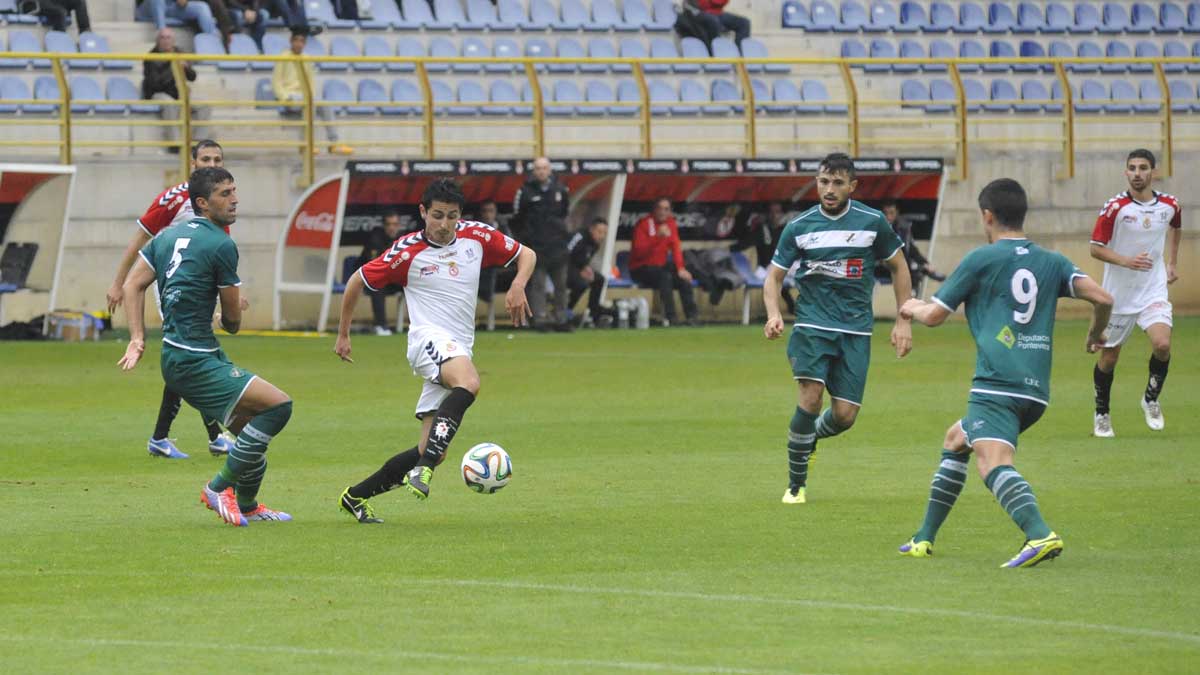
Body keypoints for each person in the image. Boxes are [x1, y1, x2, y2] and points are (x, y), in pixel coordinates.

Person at [896, 178, 1113, 568]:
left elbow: (933, 317)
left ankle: (1039, 534)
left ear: (987, 216)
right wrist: (1096, 333)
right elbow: (1103, 298)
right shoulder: (1053, 261)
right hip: (1036, 391)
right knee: (956, 439)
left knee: (992, 462)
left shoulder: (982, 258)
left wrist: (910, 307)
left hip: (996, 384)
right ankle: (923, 538)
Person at [334, 179, 535, 521]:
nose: (444, 224)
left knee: (433, 450)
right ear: (423, 212)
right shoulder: (406, 252)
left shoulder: (476, 236)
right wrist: (343, 334)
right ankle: (422, 470)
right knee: (469, 383)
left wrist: (517, 284)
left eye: (452, 216)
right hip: (427, 340)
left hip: (458, 347)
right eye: (438, 215)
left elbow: (526, 254)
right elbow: (358, 280)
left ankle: (355, 496)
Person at [118, 167, 295, 527]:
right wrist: (230, 308)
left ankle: (248, 506)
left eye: (234, 191)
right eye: (225, 194)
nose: (235, 199)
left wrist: (138, 338)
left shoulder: (167, 238)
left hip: (181, 354)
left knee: (249, 434)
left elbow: (131, 285)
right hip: (193, 358)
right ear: (202, 203)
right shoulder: (221, 244)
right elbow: (232, 324)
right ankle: (218, 488)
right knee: (279, 406)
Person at [763, 152, 913, 505]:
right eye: (823, 181)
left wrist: (903, 318)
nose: (829, 189)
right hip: (812, 325)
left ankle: (807, 439)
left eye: (837, 183)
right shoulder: (799, 226)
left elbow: (900, 268)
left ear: (852, 186)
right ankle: (796, 485)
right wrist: (773, 312)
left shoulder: (872, 222)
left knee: (845, 416)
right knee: (811, 397)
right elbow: (774, 277)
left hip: (856, 330)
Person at [106, 140, 235, 460]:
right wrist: (118, 282)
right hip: (173, 285)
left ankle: (163, 437)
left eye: (217, 158)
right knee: (192, 352)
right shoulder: (175, 198)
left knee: (189, 356)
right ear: (192, 163)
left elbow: (220, 248)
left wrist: (230, 294)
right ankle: (216, 436)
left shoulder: (222, 197)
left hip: (202, 286)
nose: (211, 163)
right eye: (205, 158)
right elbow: (141, 238)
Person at [1088, 149, 1181, 438]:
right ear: (1125, 172)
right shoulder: (1115, 208)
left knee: (1162, 345)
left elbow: (1176, 226)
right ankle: (1102, 412)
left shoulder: (1169, 204)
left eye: (1143, 167)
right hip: (1119, 296)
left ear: (1153, 171)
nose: (1137, 173)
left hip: (1153, 290)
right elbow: (1095, 247)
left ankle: (1150, 399)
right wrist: (1127, 261)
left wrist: (1172, 262)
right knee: (1109, 358)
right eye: (1132, 168)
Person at [511, 157, 571, 331]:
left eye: (544, 168)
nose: (541, 171)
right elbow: (517, 217)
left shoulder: (561, 189)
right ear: (533, 171)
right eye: (538, 168)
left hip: (558, 246)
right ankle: (540, 319)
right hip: (536, 248)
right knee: (538, 286)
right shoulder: (525, 191)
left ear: (550, 170)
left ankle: (561, 319)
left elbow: (565, 212)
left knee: (561, 286)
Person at [272, 27, 353, 155]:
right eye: (296, 40)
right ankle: (306, 145)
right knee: (310, 106)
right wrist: (285, 97)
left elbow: (310, 82)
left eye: (301, 41)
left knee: (325, 105)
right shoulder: (283, 57)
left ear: (304, 43)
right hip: (289, 96)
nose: (298, 43)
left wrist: (310, 95)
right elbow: (276, 82)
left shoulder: (306, 58)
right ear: (291, 41)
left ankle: (333, 143)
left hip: (304, 96)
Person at [629, 197, 699, 327]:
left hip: (659, 267)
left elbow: (676, 247)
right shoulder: (644, 224)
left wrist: (680, 268)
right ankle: (671, 318)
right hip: (640, 268)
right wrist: (657, 238)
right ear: (654, 210)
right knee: (665, 276)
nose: (662, 212)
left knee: (683, 278)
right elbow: (639, 252)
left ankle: (692, 317)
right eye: (660, 208)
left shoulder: (671, 224)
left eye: (666, 209)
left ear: (670, 211)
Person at [141, 28, 211, 152]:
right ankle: (175, 143)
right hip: (158, 93)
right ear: (158, 41)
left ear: (173, 41)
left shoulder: (179, 52)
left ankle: (198, 142)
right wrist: (172, 64)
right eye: (163, 38)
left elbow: (192, 77)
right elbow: (156, 84)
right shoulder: (150, 57)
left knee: (204, 105)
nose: (166, 41)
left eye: (169, 38)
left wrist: (186, 68)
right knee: (170, 104)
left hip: (178, 93)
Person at [876, 199, 942, 291]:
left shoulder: (902, 228)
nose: (888, 217)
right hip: (882, 264)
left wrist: (924, 263)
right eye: (886, 213)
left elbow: (911, 249)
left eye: (892, 213)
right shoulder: (876, 228)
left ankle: (925, 270)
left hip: (901, 263)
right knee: (910, 270)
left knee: (916, 271)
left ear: (897, 213)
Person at [359, 210, 404, 336]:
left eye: (395, 224)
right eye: (389, 224)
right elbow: (374, 267)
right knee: (378, 284)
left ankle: (421, 326)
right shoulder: (375, 239)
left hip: (393, 279)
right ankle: (381, 326)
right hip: (369, 279)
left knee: (416, 284)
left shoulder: (403, 240)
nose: (392, 228)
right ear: (384, 226)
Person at [566, 217, 615, 326]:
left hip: (577, 267)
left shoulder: (595, 243)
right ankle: (567, 310)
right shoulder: (579, 236)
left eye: (604, 233)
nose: (602, 236)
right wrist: (580, 270)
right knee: (581, 284)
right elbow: (566, 254)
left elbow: (583, 258)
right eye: (599, 232)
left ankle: (594, 313)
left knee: (599, 279)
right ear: (591, 229)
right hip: (562, 268)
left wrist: (585, 268)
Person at [475, 199, 516, 305]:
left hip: (502, 265)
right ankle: (486, 298)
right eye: (485, 211)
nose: (488, 214)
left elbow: (511, 248)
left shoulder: (502, 227)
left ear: (495, 212)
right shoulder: (475, 229)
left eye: (491, 211)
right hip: (482, 266)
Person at [136, 0, 218, 35]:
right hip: (148, 9)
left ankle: (211, 40)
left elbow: (182, 3)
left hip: (169, 8)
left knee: (202, 7)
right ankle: (163, 35)